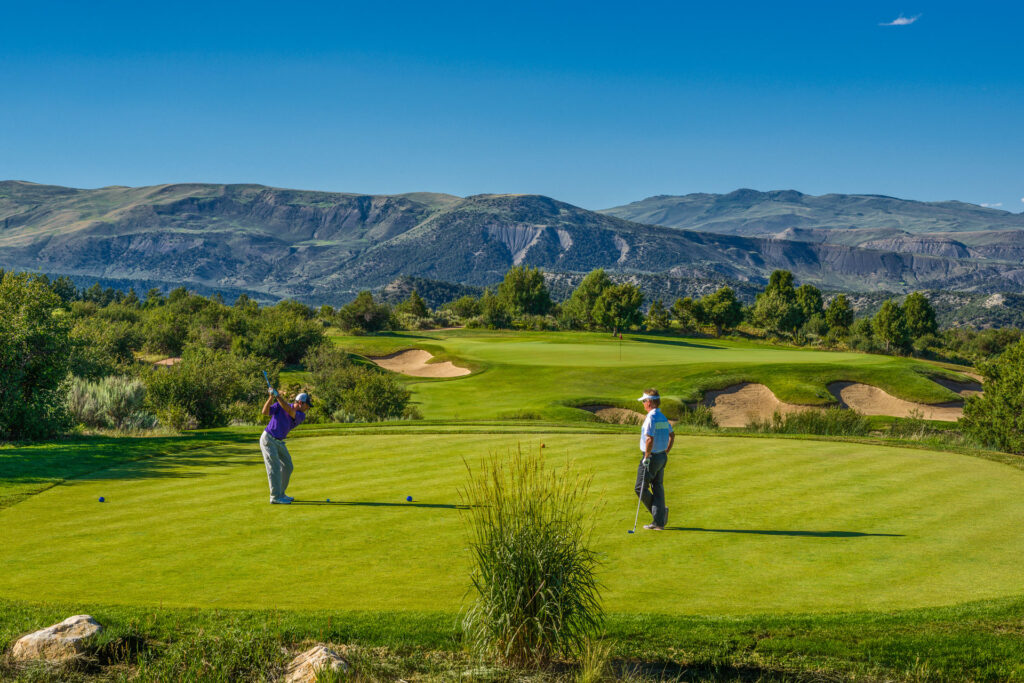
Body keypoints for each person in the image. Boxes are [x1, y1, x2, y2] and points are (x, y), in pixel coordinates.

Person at [260, 386, 312, 505]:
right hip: (268, 439)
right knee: (274, 468)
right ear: (300, 403)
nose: (308, 408)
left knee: (288, 466)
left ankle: (281, 493)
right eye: (307, 405)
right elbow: (265, 412)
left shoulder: (300, 415)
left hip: (279, 441)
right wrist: (271, 397)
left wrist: (278, 396)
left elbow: (289, 410)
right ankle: (275, 497)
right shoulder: (280, 405)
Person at [634, 388, 674, 530]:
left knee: (640, 487)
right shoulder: (662, 416)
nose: (643, 404)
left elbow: (649, 439)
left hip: (651, 457)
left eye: (644, 401)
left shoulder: (651, 417)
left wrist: (647, 456)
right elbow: (672, 435)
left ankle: (660, 516)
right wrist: (666, 451)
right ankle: (659, 522)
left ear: (649, 402)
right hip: (662, 456)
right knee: (658, 487)